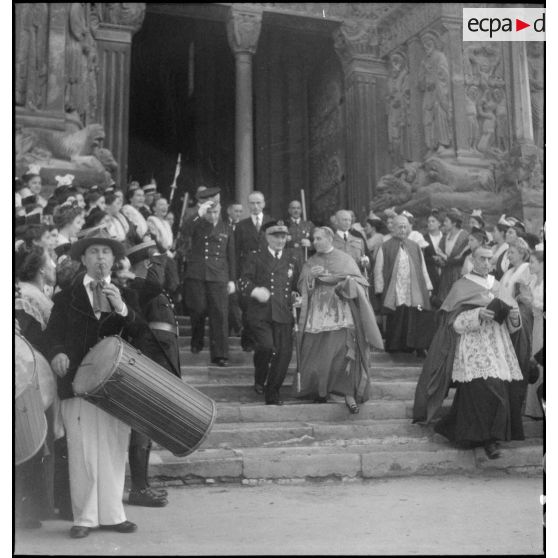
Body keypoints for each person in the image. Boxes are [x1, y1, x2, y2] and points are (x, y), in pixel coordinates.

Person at [44, 229, 139, 539]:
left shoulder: (126, 294)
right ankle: (85, 517)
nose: (101, 257)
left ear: (114, 259)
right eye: (94, 251)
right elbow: (52, 335)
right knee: (83, 449)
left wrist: (121, 309)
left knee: (113, 445)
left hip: (115, 383)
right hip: (78, 382)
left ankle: (113, 514)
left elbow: (140, 337)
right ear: (83, 258)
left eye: (106, 252)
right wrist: (57, 353)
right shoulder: (65, 297)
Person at [415, 246, 524, 459]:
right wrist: (477, 314)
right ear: (473, 260)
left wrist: (514, 313)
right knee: (484, 389)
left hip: (497, 346)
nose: (486, 263)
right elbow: (452, 323)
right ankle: (487, 440)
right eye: (481, 259)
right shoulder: (461, 285)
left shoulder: (498, 285)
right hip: (474, 347)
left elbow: (514, 327)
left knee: (491, 390)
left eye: (489, 260)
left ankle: (472, 434)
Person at [117, 240, 182, 507]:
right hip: (147, 364)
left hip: (156, 362)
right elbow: (154, 285)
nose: (160, 267)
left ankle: (143, 487)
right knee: (141, 428)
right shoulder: (138, 287)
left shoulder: (141, 286)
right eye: (155, 262)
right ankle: (139, 489)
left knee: (146, 428)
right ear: (146, 264)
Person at [295, 227, 384, 413]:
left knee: (343, 354)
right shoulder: (310, 261)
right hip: (317, 314)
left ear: (329, 239)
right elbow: (302, 286)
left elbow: (360, 282)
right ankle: (319, 391)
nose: (315, 242)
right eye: (314, 238)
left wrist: (344, 281)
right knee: (317, 352)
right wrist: (311, 277)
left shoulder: (345, 258)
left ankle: (347, 392)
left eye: (319, 238)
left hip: (341, 313)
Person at [15, 246, 60, 528]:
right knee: (30, 443)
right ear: (42, 269)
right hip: (27, 379)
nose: (54, 265)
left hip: (33, 377)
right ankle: (28, 510)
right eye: (51, 261)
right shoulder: (26, 298)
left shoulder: (34, 296)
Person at [238, 221, 300, 404]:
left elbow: (297, 285)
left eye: (283, 237)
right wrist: (255, 291)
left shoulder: (292, 259)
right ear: (267, 237)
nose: (280, 240)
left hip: (283, 313)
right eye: (276, 236)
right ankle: (260, 378)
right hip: (260, 313)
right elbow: (243, 281)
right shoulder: (255, 256)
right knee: (265, 347)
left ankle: (272, 392)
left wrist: (299, 296)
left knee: (284, 355)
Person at [183, 200, 236, 365]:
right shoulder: (198, 224)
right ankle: (196, 340)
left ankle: (220, 354)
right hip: (197, 273)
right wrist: (198, 214)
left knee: (220, 314)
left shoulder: (226, 228)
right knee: (197, 309)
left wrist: (232, 279)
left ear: (220, 212)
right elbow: (184, 230)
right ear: (205, 212)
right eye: (209, 213)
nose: (212, 216)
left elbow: (231, 256)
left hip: (219, 275)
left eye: (215, 212)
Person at [374, 215, 434, 354]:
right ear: (393, 228)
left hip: (412, 289)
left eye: (405, 226)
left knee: (413, 314)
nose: (402, 229)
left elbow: (422, 267)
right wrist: (379, 289)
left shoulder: (415, 246)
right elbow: (379, 269)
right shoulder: (385, 246)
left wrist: (428, 287)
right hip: (394, 288)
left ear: (409, 228)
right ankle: (395, 346)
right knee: (395, 316)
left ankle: (410, 345)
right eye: (399, 226)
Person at [498, 239, 532, 440]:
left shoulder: (526, 269)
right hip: (506, 323)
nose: (508, 255)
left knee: (518, 367)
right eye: (508, 252)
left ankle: (515, 421)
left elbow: (525, 298)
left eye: (511, 252)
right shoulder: (509, 272)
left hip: (519, 325)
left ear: (522, 253)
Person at [234, 191, 272, 351]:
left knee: (263, 305)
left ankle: (261, 340)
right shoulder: (241, 226)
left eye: (258, 203)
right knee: (247, 305)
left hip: (265, 271)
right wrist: (235, 276)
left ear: (263, 204)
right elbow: (235, 251)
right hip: (247, 271)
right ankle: (248, 339)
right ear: (248, 205)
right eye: (252, 203)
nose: (255, 206)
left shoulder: (271, 222)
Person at [523, 247, 544, 419]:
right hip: (534, 324)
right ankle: (532, 408)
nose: (529, 265)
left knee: (541, 361)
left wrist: (532, 302)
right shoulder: (532, 281)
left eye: (532, 262)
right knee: (532, 360)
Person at [437, 209, 469, 302]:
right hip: (446, 274)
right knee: (444, 300)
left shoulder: (464, 236)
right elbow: (441, 252)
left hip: (458, 273)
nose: (444, 223)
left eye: (446, 221)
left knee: (456, 300)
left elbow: (462, 257)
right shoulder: (445, 237)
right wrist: (439, 259)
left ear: (454, 223)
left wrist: (446, 258)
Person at [422, 209, 444, 307]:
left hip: (445, 271)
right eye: (428, 221)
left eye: (433, 221)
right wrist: (433, 260)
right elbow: (422, 258)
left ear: (439, 223)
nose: (430, 223)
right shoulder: (423, 238)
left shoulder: (446, 237)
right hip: (431, 271)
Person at [286, 200, 314, 264]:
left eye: (298, 208)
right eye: (293, 208)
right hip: (288, 260)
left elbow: (317, 243)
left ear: (301, 210)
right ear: (289, 210)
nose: (296, 211)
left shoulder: (309, 225)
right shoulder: (284, 225)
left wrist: (310, 245)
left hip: (304, 260)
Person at [491, 215, 512, 279]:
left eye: (494, 231)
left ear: (502, 233)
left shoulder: (506, 248)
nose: (492, 234)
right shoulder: (493, 247)